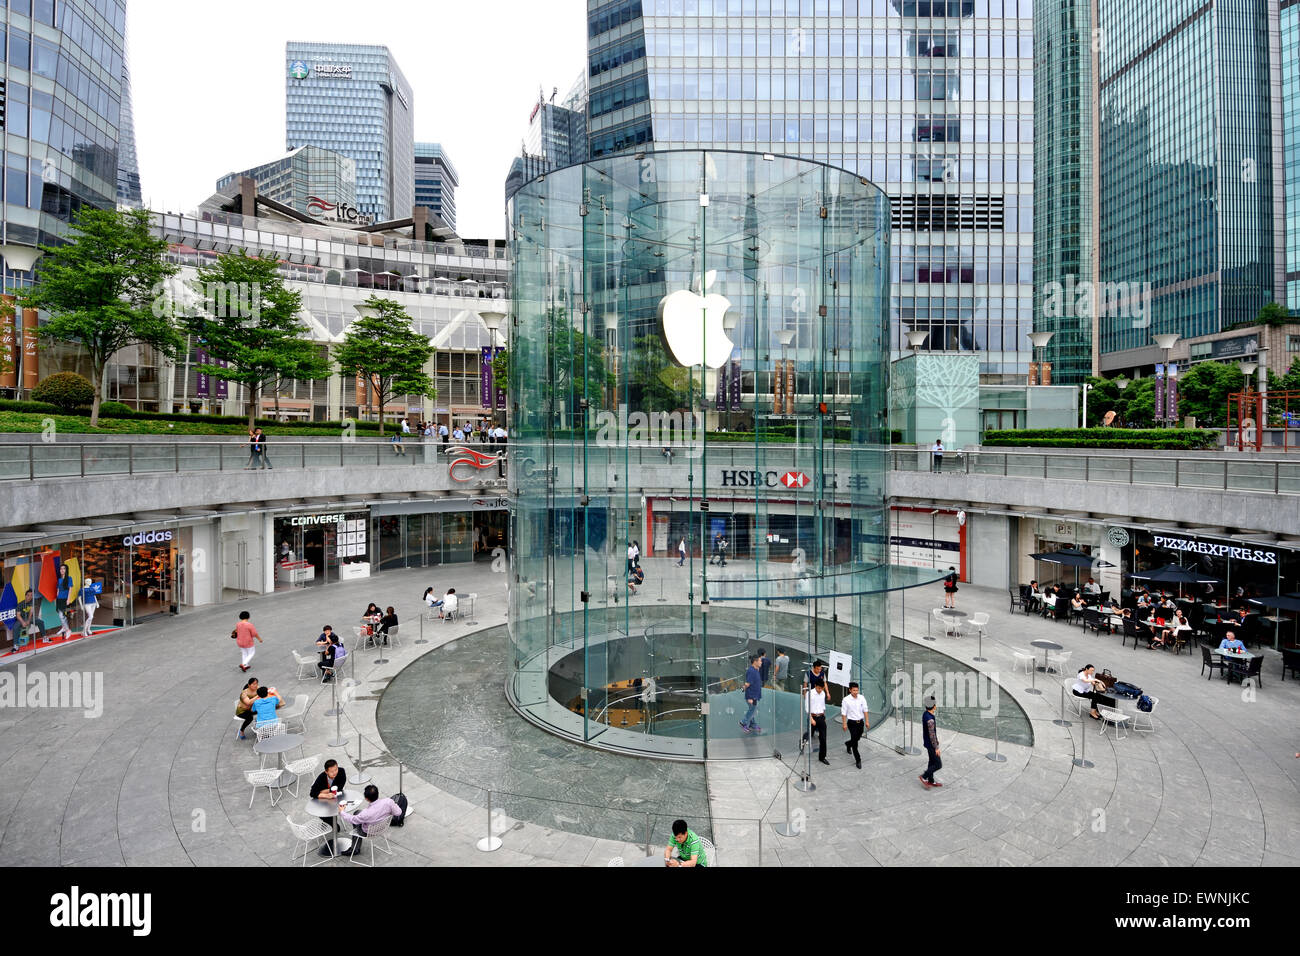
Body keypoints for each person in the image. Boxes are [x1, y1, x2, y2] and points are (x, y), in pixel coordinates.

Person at [338, 784, 404, 851]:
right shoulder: (388, 802)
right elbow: (398, 812)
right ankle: (355, 847)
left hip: (368, 832)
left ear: (366, 798)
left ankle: (354, 848)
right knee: (357, 813)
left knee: (356, 818)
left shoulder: (366, 813)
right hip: (383, 827)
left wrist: (342, 812)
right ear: (378, 793)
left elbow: (352, 820)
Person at [802, 677, 829, 764]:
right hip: (812, 717)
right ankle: (803, 745)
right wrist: (811, 719)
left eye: (821, 688)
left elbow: (823, 706)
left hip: (821, 717)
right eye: (818, 688)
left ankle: (822, 757)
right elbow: (807, 707)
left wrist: (824, 718)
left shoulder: (823, 693)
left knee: (823, 738)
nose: (820, 690)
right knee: (809, 734)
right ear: (815, 686)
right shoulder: (809, 693)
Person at [919, 694, 942, 787]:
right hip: (931, 745)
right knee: (938, 764)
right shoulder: (930, 719)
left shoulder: (926, 714)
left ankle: (931, 780)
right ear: (934, 706)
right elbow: (932, 735)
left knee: (931, 761)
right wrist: (936, 747)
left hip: (928, 743)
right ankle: (924, 776)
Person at [740, 653, 763, 734]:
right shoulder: (751, 671)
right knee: (752, 709)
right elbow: (747, 684)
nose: (761, 662)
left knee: (752, 709)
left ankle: (752, 724)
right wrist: (749, 697)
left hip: (755, 695)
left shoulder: (756, 669)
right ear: (755, 662)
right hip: (751, 696)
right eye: (760, 661)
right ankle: (743, 723)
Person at [53, 563, 74, 639]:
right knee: (61, 615)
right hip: (59, 599)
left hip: (65, 599)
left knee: (61, 616)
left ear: (66, 570)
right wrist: (56, 599)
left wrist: (68, 599)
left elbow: (70, 589)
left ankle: (68, 630)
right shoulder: (59, 580)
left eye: (63, 569)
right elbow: (58, 590)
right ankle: (63, 627)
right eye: (61, 569)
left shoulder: (69, 578)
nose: (62, 570)